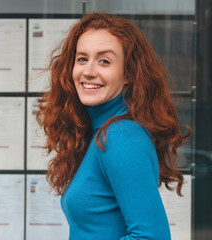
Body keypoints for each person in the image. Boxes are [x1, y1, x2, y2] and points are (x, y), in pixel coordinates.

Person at [37, 12, 190, 240]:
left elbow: (151, 237)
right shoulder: (103, 130)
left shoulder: (120, 136)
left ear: (128, 74)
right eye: (82, 59)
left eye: (104, 61)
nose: (88, 71)